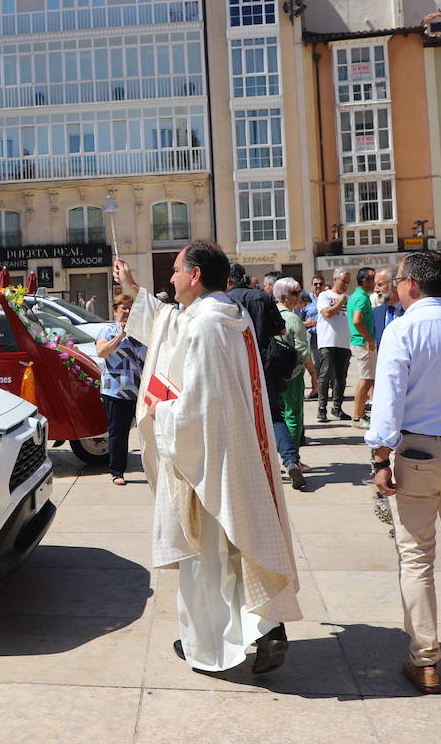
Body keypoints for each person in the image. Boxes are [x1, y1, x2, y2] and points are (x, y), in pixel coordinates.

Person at [114, 244, 301, 674]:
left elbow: (195, 405)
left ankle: (207, 644)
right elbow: (167, 324)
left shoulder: (204, 327)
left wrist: (159, 410)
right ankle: (267, 628)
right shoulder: (229, 316)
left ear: (195, 275)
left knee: (204, 556)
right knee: (244, 546)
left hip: (205, 455)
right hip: (240, 451)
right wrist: (132, 289)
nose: (172, 279)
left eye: (177, 271)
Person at [368, 251, 441, 695]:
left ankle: (425, 659)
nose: (396, 287)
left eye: (399, 280)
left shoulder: (404, 328)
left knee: (416, 556)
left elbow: (388, 401)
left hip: (420, 450)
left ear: (412, 285)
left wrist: (380, 458)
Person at [228, 263, 301, 490]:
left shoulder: (224, 300)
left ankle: (250, 472)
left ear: (228, 281)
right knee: (274, 416)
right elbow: (281, 330)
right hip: (265, 364)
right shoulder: (262, 296)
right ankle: (290, 460)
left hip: (235, 366)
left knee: (239, 421)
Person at [96, 294, 148, 486]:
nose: (127, 312)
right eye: (123, 308)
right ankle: (117, 471)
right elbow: (101, 352)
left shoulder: (140, 332)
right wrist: (120, 336)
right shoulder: (107, 330)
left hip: (141, 389)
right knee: (119, 432)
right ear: (115, 310)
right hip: (116, 390)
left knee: (148, 431)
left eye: (130, 308)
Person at [274, 277, 312, 486]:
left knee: (276, 417)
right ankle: (293, 459)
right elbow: (303, 351)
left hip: (274, 376)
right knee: (294, 416)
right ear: (284, 296)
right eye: (295, 293)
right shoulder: (293, 319)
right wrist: (295, 372)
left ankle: (282, 458)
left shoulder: (272, 316)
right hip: (292, 376)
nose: (300, 296)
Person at [316, 269, 352, 423]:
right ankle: (322, 409)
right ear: (336, 279)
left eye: (347, 282)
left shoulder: (348, 298)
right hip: (328, 342)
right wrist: (340, 301)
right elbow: (327, 313)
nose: (345, 284)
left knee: (341, 378)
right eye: (343, 280)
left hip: (344, 343)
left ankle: (337, 407)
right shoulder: (325, 295)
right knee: (325, 376)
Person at [348, 267, 377, 428]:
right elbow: (357, 320)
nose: (375, 282)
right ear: (365, 280)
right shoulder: (361, 298)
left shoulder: (357, 296)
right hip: (362, 342)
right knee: (365, 380)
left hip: (360, 342)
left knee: (367, 379)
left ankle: (359, 415)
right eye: (373, 278)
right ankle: (357, 417)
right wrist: (369, 340)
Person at [304, 277, 324, 397]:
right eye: (315, 284)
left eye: (320, 284)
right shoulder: (307, 300)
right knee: (316, 363)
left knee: (326, 363)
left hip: (327, 336)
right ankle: (317, 389)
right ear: (312, 286)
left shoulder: (327, 297)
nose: (318, 286)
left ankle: (324, 388)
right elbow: (300, 316)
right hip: (313, 336)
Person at [372, 268, 403, 345]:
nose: (376, 290)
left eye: (380, 285)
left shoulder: (411, 311)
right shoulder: (376, 313)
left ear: (395, 283)